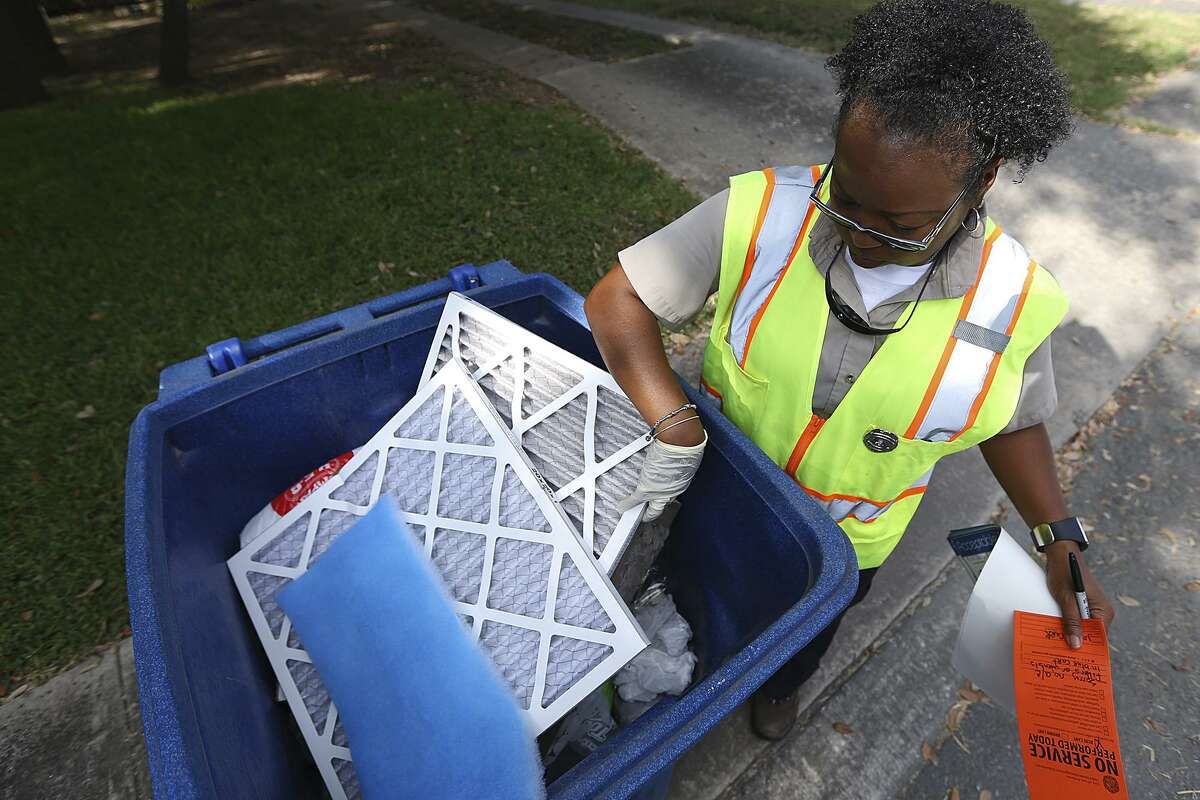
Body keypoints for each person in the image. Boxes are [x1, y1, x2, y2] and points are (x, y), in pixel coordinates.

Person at [585, 0, 1116, 741]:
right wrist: (672, 422)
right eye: (847, 198)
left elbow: (1015, 418)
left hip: (846, 547)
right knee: (692, 601)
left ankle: (780, 686)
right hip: (719, 498)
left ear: (985, 179)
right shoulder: (763, 209)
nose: (862, 235)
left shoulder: (1016, 301)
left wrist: (1056, 532)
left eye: (902, 227)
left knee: (805, 630)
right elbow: (618, 299)